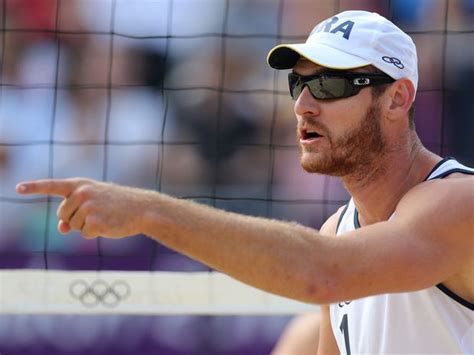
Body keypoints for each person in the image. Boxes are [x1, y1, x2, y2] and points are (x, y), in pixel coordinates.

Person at [16, 10, 473, 354]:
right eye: (299, 85)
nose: (304, 106)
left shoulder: (458, 200)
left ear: (397, 98)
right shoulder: (338, 230)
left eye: (331, 85)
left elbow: (324, 272)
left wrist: (147, 211)